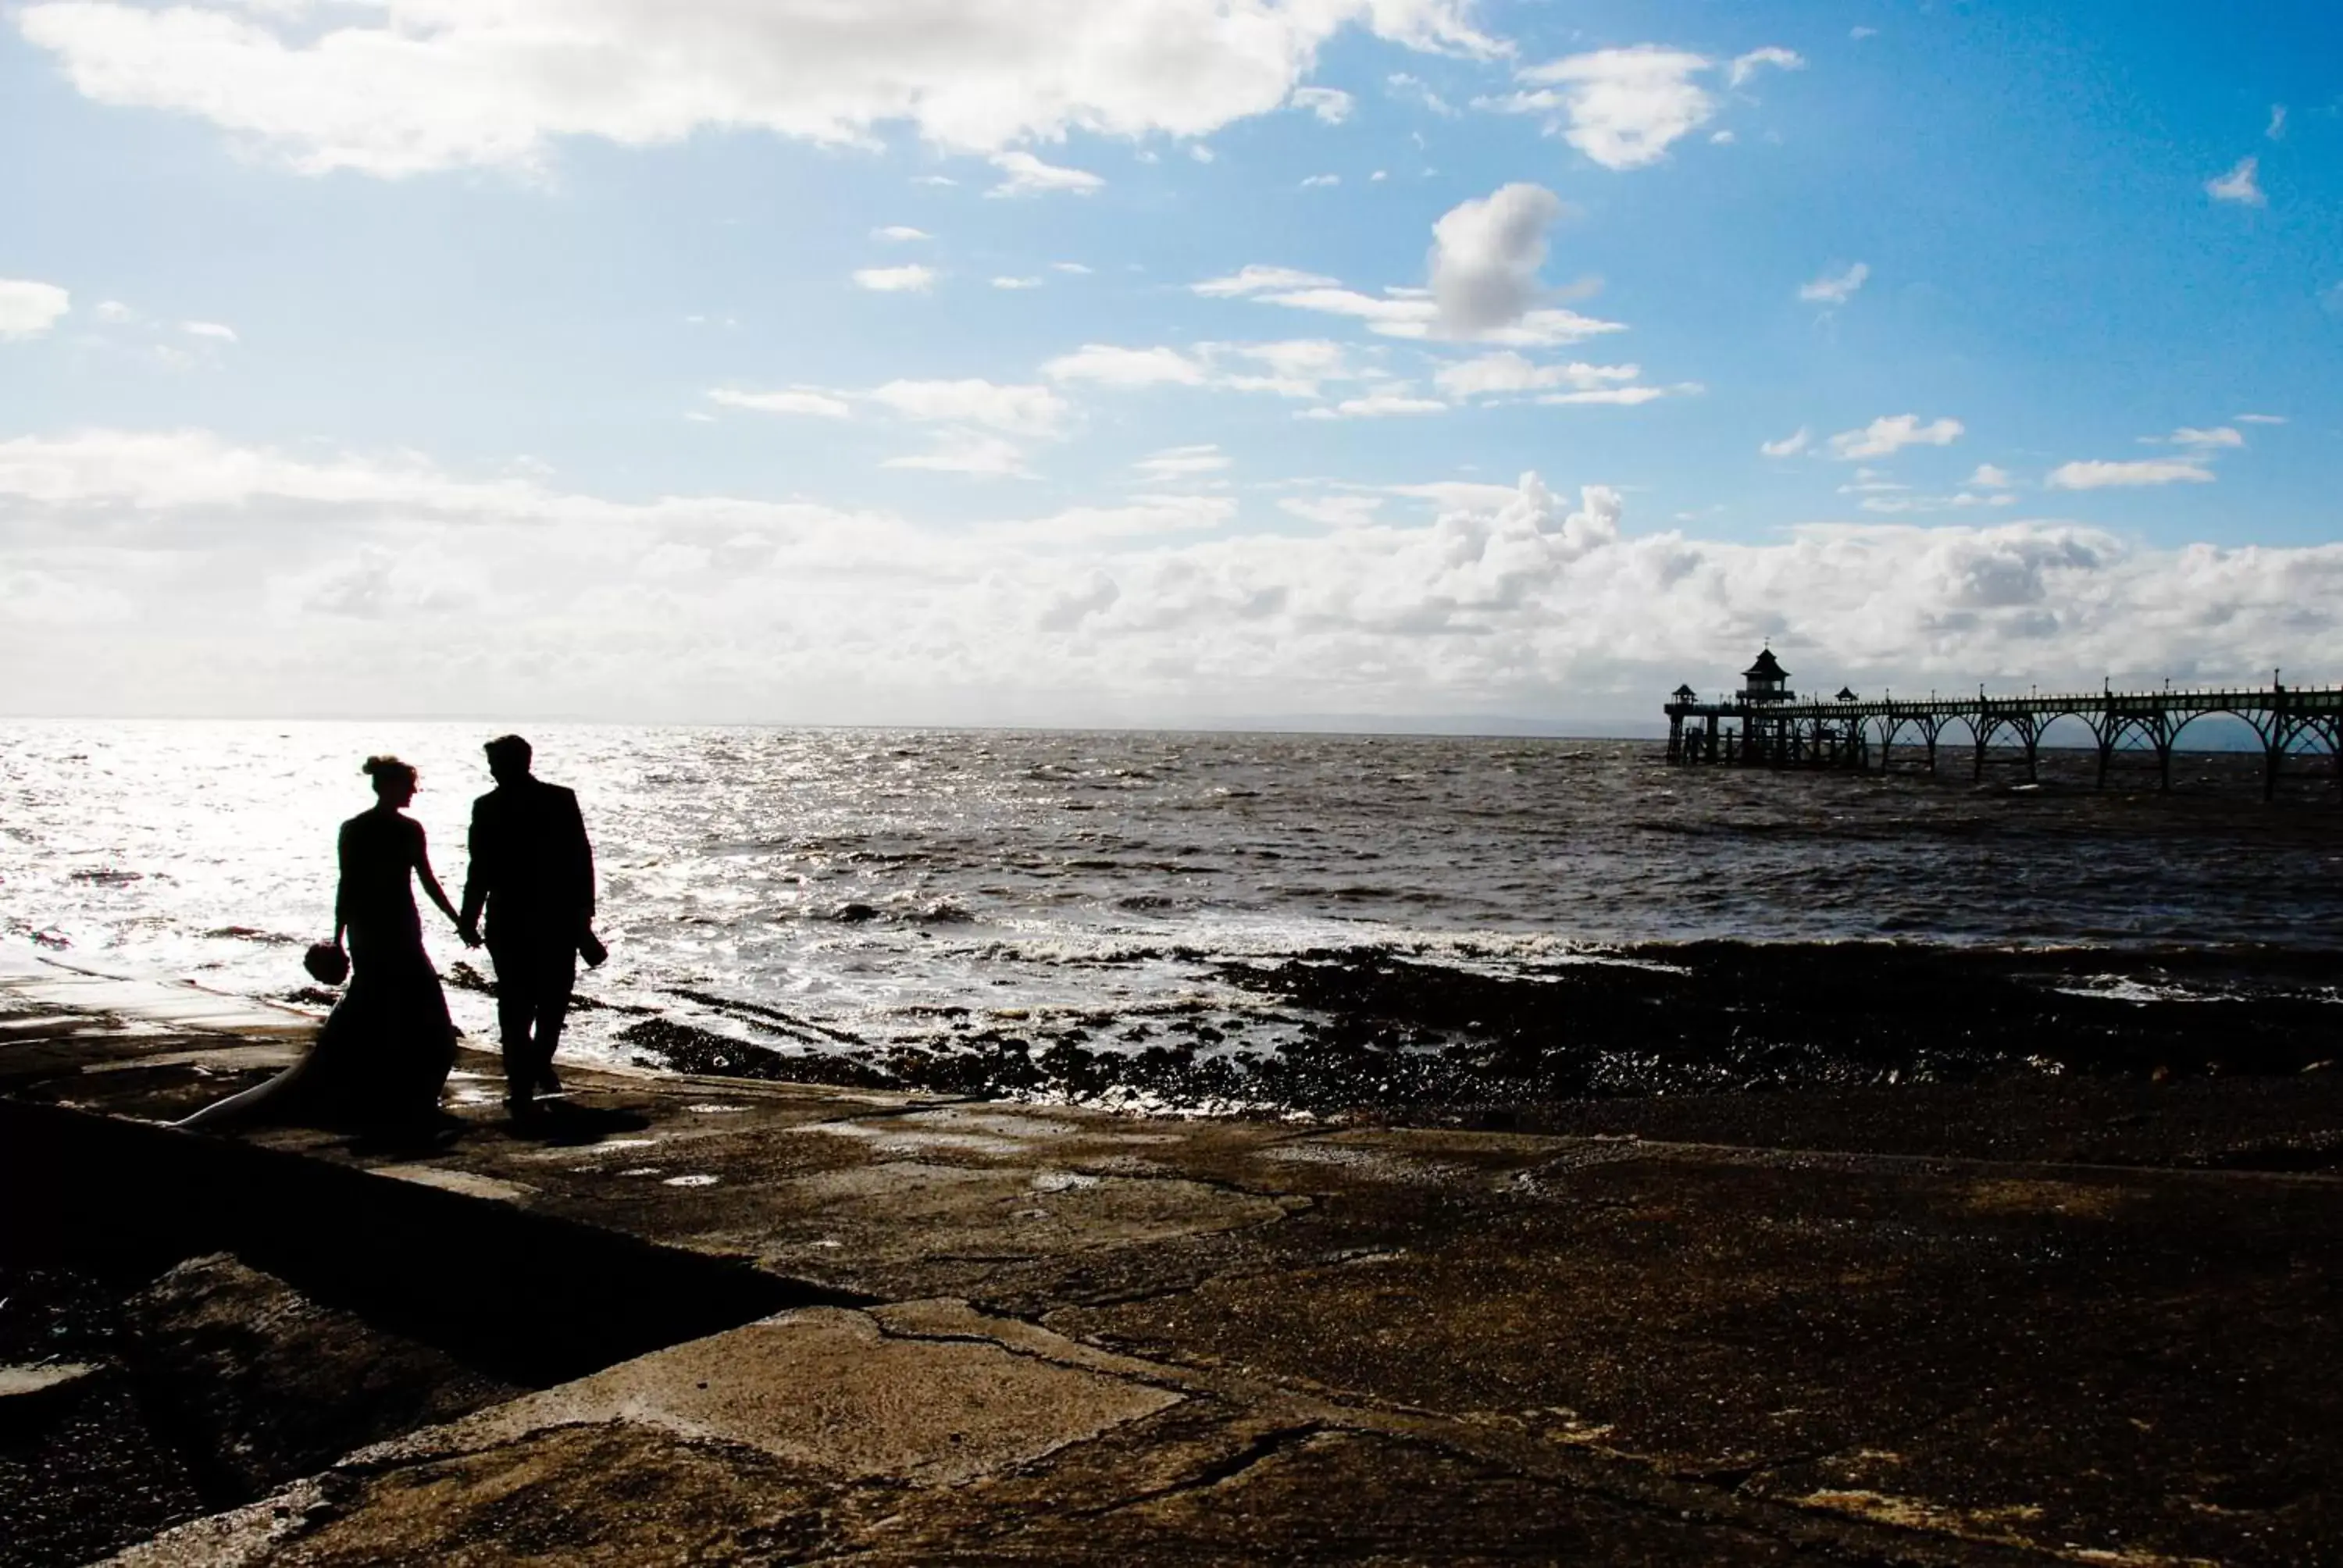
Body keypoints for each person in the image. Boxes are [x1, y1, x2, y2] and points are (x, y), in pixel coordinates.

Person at [181, 756, 461, 1132]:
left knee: (386, 1013)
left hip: (373, 931)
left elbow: (349, 886)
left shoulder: (357, 829)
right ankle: (410, 1102)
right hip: (394, 930)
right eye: (410, 784)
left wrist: (341, 936)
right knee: (427, 1021)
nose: (414, 791)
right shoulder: (405, 830)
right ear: (390, 787)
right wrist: (458, 921)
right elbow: (424, 882)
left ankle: (395, 1097)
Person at [458, 734, 598, 1123]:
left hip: (510, 918)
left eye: (495, 764)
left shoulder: (487, 807)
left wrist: (468, 917)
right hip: (555, 916)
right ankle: (536, 1066)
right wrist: (584, 908)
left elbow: (479, 869)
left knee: (516, 1003)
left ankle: (523, 1078)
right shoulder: (559, 799)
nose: (492, 771)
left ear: (508, 764)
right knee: (553, 999)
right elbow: (580, 856)